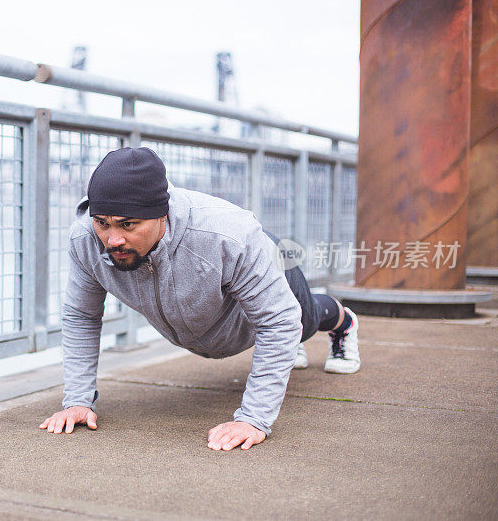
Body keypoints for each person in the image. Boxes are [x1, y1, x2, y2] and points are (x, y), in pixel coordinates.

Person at [39, 147, 360, 451]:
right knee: (282, 328)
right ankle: (287, 343)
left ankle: (341, 322)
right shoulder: (86, 239)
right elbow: (81, 315)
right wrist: (78, 401)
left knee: (300, 322)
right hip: (211, 321)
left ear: (162, 214)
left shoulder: (228, 236)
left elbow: (279, 320)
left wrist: (253, 419)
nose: (113, 239)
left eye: (129, 225)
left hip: (267, 262)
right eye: (103, 224)